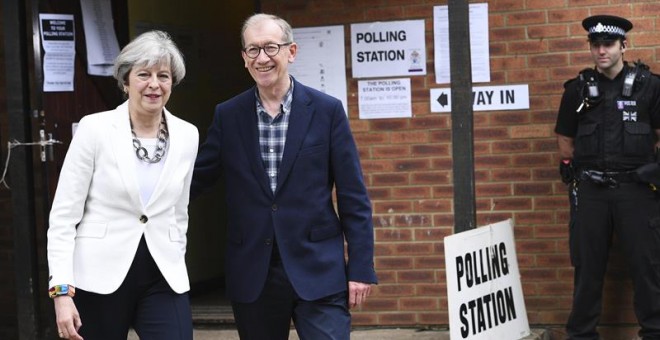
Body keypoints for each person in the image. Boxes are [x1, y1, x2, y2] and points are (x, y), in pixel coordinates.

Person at [191, 13, 378, 340]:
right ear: (244, 59)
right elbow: (197, 178)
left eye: (270, 48)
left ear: (291, 52)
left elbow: (353, 198)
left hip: (319, 268)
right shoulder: (228, 115)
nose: (262, 58)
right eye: (253, 50)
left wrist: (361, 268)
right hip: (253, 272)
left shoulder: (327, 111)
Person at [46, 30, 198, 340]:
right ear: (125, 81)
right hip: (97, 277)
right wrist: (61, 292)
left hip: (162, 277)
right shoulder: (95, 129)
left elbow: (179, 211)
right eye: (144, 74)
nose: (154, 84)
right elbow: (63, 217)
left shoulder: (188, 135)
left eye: (163, 75)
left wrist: (176, 254)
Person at [555, 14, 660, 339]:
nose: (601, 50)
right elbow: (565, 139)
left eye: (608, 44)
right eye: (595, 44)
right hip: (591, 192)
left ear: (623, 46)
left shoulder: (649, 86)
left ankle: (655, 332)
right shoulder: (577, 90)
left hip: (637, 190)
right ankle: (582, 334)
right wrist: (575, 169)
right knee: (587, 269)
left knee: (648, 267)